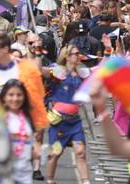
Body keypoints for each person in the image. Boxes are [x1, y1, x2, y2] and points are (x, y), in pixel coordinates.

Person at [44, 45, 90, 184]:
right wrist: (36, 53)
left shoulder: (82, 72)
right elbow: (41, 70)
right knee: (55, 153)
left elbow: (99, 70)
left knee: (81, 152)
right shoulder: (57, 72)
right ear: (67, 56)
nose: (78, 56)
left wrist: (107, 50)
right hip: (59, 124)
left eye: (78, 53)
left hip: (75, 123)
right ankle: (50, 180)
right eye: (75, 53)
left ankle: (86, 181)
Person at [0, 79, 35, 184]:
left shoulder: (28, 118)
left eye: (19, 95)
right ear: (4, 97)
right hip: (5, 175)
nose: (15, 99)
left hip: (25, 175)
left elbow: (29, 144)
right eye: (11, 95)